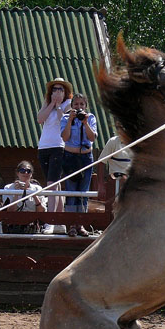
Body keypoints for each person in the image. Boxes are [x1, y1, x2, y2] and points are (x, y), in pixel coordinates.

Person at [36, 77, 72, 232]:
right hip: (44, 146)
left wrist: (58, 106)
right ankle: (60, 221)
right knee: (54, 185)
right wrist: (51, 103)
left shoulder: (67, 105)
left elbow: (63, 121)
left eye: (61, 89)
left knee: (51, 183)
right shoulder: (47, 104)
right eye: (55, 89)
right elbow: (39, 119)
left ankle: (50, 220)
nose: (57, 92)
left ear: (65, 92)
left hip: (59, 146)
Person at [60, 93, 97, 237]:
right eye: (76, 104)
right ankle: (71, 225)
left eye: (82, 104)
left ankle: (81, 224)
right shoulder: (65, 118)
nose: (79, 107)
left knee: (83, 192)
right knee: (71, 191)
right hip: (70, 157)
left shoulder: (91, 118)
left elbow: (92, 137)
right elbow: (64, 137)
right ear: (72, 106)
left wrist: (85, 123)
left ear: (86, 106)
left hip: (86, 158)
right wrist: (70, 120)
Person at [0, 160, 47, 233]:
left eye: (28, 171)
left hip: (32, 226)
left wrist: (33, 195)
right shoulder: (8, 188)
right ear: (17, 173)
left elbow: (41, 211)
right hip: (14, 225)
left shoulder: (37, 188)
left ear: (31, 174)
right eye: (22, 170)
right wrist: (16, 193)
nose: (25, 173)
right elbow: (10, 211)